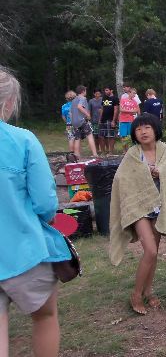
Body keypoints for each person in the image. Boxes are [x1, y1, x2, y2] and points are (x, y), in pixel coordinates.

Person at [0, 66, 71, 357]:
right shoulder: (23, 140)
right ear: (9, 102)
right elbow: (45, 204)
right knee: (45, 317)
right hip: (24, 252)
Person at [109, 113, 166, 315]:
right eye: (138, 129)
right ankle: (136, 295)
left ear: (155, 130)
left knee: (153, 253)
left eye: (147, 127)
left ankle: (148, 291)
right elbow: (121, 179)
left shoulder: (163, 150)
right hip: (139, 208)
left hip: (158, 206)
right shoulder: (133, 154)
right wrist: (146, 173)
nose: (143, 132)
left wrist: (159, 172)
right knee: (151, 251)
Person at [70, 85, 98, 159]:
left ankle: (77, 155)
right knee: (90, 135)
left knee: (77, 138)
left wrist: (73, 121)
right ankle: (95, 154)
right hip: (82, 120)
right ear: (83, 91)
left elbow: (71, 112)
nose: (86, 92)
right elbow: (79, 107)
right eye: (85, 90)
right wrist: (87, 114)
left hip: (75, 122)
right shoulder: (83, 98)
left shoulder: (73, 100)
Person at [98, 87, 119, 155]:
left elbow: (116, 110)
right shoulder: (104, 98)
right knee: (101, 136)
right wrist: (100, 119)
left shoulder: (115, 98)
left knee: (111, 136)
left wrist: (113, 121)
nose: (105, 91)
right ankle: (103, 152)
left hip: (110, 119)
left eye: (107, 90)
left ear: (111, 90)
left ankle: (111, 152)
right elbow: (102, 109)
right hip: (103, 119)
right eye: (105, 90)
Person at [87, 89, 103, 154]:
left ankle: (103, 149)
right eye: (96, 94)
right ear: (94, 94)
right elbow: (89, 110)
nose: (97, 95)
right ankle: (97, 149)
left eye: (99, 94)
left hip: (102, 120)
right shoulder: (91, 101)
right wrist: (88, 117)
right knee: (96, 136)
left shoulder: (103, 100)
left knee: (102, 136)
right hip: (94, 120)